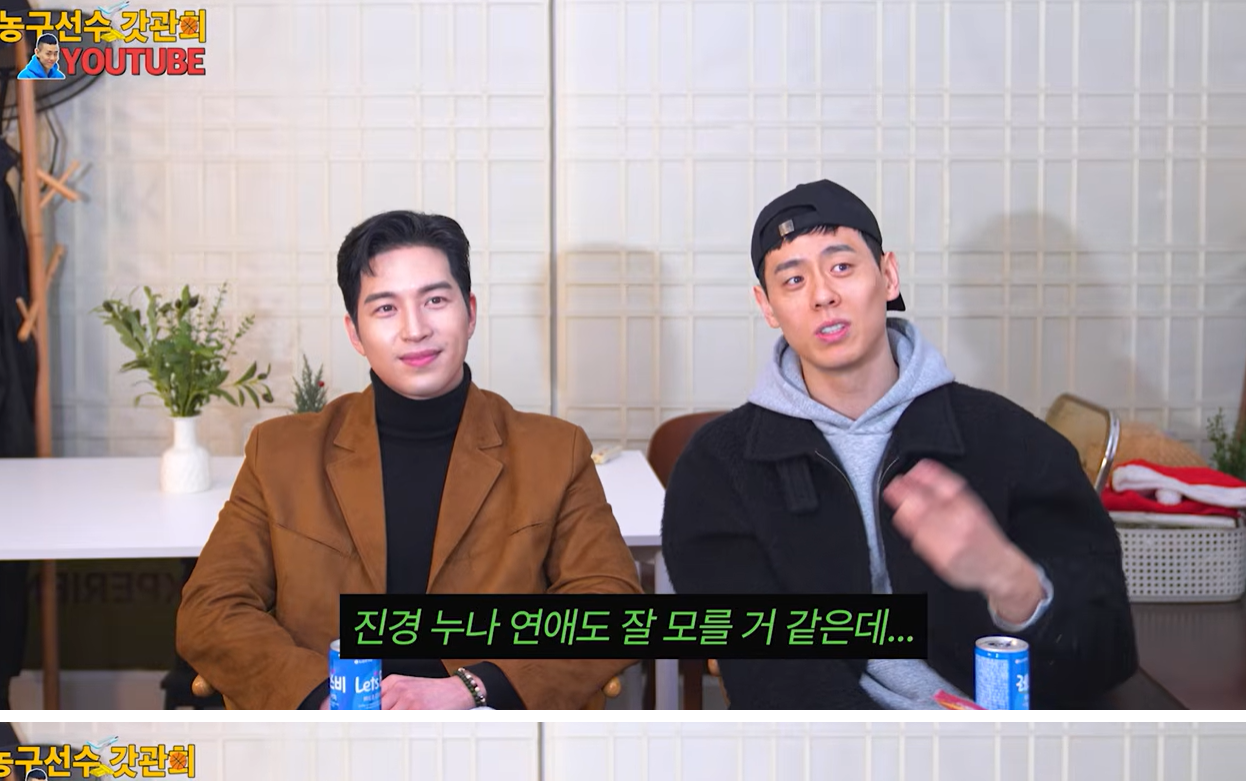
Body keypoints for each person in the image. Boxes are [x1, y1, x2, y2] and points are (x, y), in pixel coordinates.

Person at [661, 178, 1137, 710]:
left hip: (1003, 742)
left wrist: (1010, 579)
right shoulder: (719, 470)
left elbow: (1109, 651)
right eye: (793, 279)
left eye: (842, 266)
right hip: (835, 750)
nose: (822, 295)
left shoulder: (1012, 440)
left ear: (888, 276)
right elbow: (769, 673)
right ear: (767, 306)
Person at [176, 211, 641, 710]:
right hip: (330, 732)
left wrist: (471, 687)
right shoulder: (281, 453)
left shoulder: (553, 451)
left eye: (435, 300)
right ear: (355, 333)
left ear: (470, 313)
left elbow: (611, 607)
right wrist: (326, 697)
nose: (415, 329)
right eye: (385, 308)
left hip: (486, 731)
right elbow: (211, 608)